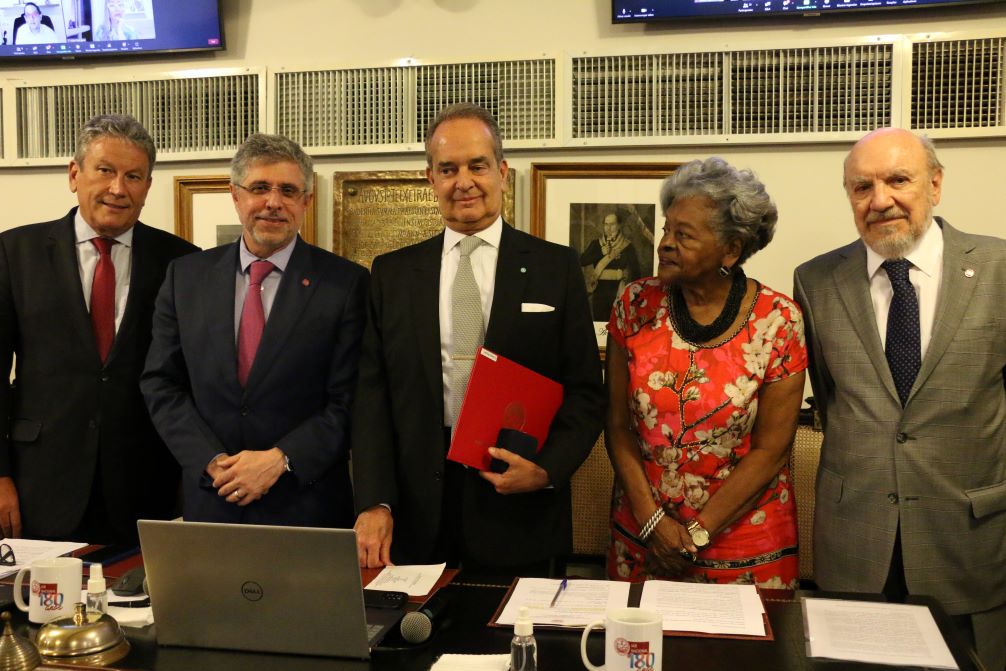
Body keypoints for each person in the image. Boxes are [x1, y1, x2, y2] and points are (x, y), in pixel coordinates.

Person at [352, 103, 604, 574]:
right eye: (448, 169)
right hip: (415, 512)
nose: (463, 181)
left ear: (502, 173)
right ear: (431, 179)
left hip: (519, 502)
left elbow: (586, 391)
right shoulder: (393, 274)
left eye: (477, 166)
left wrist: (547, 469)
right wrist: (375, 502)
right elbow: (372, 398)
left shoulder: (557, 268)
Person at [793, 127, 1006, 671]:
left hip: (967, 538)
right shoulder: (815, 281)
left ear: (935, 184)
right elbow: (830, 400)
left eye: (897, 180)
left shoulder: (999, 269)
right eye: (862, 187)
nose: (880, 200)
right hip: (856, 538)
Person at [141, 133, 368, 528]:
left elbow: (350, 400)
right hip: (211, 500)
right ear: (235, 195)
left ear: (306, 201)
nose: (273, 202)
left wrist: (280, 459)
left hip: (306, 505)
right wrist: (212, 462)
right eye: (260, 188)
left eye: (288, 190)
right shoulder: (185, 277)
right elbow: (161, 383)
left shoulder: (345, 284)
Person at [606, 157, 805, 587]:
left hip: (745, 546)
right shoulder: (634, 305)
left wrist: (697, 532)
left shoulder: (779, 320)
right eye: (666, 230)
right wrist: (653, 522)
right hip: (644, 535)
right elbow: (617, 425)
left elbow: (771, 450)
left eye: (684, 235)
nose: (664, 244)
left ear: (731, 250)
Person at [0, 114, 198, 543]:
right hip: (40, 482)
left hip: (146, 483)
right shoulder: (14, 252)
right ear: (74, 174)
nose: (118, 188)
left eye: (133, 176)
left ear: (147, 186)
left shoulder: (182, 262)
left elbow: (193, 379)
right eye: (105, 170)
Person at [580, 212, 642, 322]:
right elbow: (581, 261)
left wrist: (633, 295)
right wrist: (600, 253)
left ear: (619, 225)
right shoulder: (596, 244)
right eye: (606, 224)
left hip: (619, 291)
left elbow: (636, 272)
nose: (608, 228)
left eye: (612, 224)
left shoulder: (627, 246)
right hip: (599, 292)